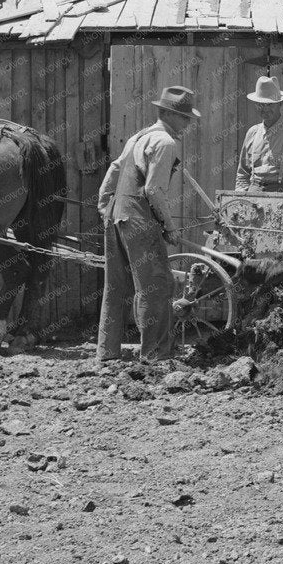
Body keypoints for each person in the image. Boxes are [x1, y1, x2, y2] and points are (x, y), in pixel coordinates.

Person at [96, 86, 200, 362]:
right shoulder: (165, 143)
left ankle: (107, 352)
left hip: (116, 216)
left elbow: (114, 170)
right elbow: (154, 190)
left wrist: (105, 204)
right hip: (140, 220)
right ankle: (155, 354)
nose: (188, 123)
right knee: (158, 285)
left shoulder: (138, 137)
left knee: (115, 286)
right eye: (184, 117)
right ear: (167, 114)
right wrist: (169, 226)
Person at [235, 75, 283, 193]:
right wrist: (241, 200)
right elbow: (242, 175)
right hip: (253, 197)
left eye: (270, 104)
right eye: (261, 104)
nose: (265, 109)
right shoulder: (252, 133)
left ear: (280, 103)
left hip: (282, 199)